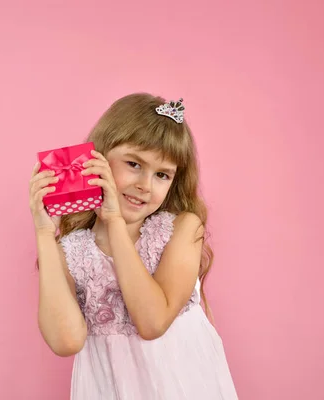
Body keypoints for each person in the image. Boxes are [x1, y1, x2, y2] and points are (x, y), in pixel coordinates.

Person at [29, 93, 238, 399]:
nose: (145, 185)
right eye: (134, 164)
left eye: (162, 174)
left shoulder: (181, 229)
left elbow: (152, 322)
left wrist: (114, 221)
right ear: (96, 159)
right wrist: (44, 234)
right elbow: (65, 342)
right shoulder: (72, 253)